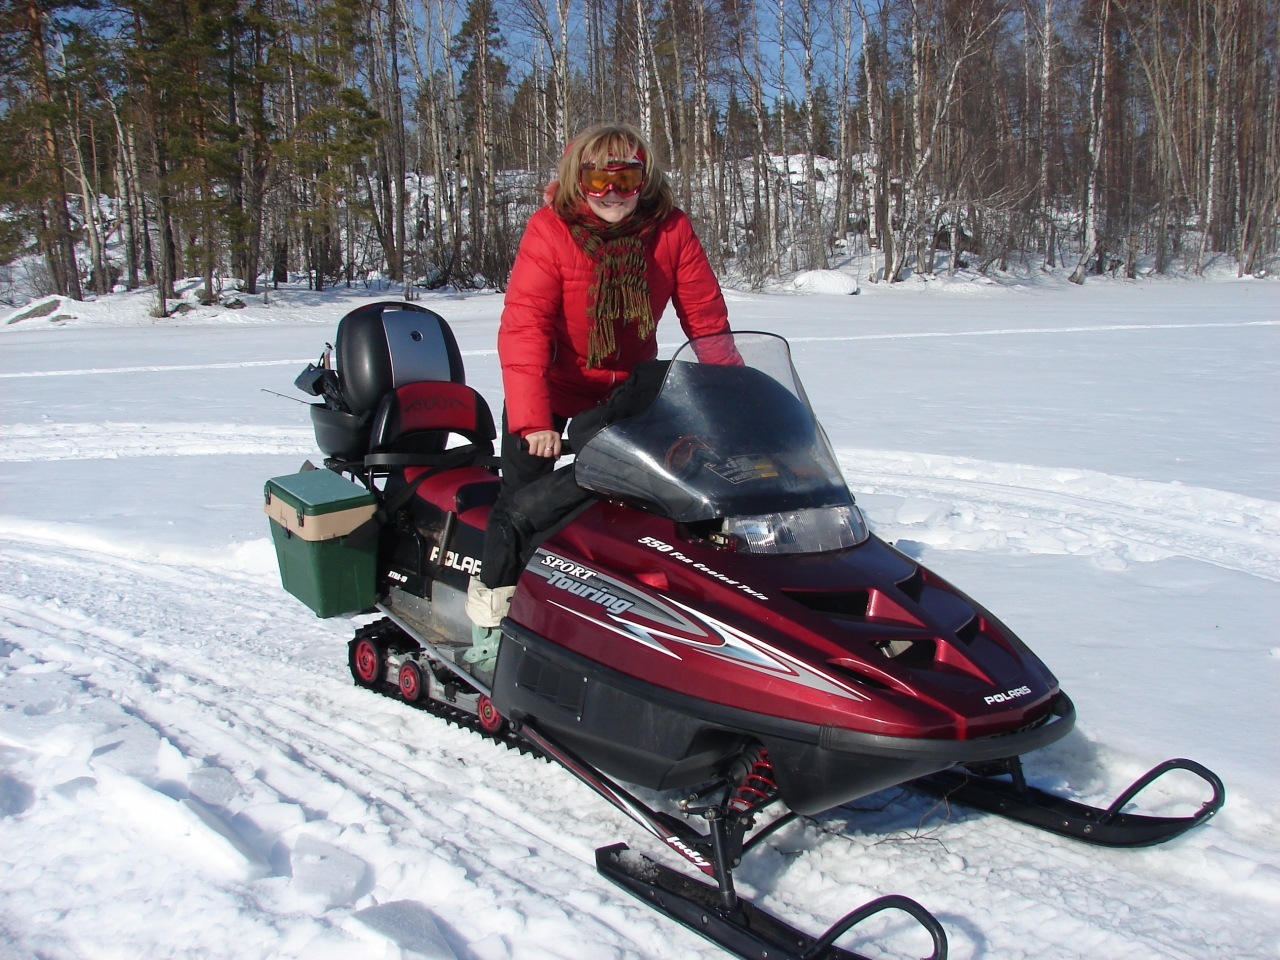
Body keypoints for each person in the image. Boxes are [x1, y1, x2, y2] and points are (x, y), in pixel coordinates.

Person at [464, 122, 734, 654]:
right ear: (577, 179)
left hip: (624, 389)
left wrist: (731, 397)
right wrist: (534, 422)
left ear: (644, 179)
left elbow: (706, 320)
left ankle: (619, 612)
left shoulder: (670, 229)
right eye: (597, 179)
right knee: (521, 501)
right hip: (549, 386)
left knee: (638, 496)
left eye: (626, 178)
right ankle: (491, 619)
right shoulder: (550, 230)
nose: (613, 193)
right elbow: (525, 327)